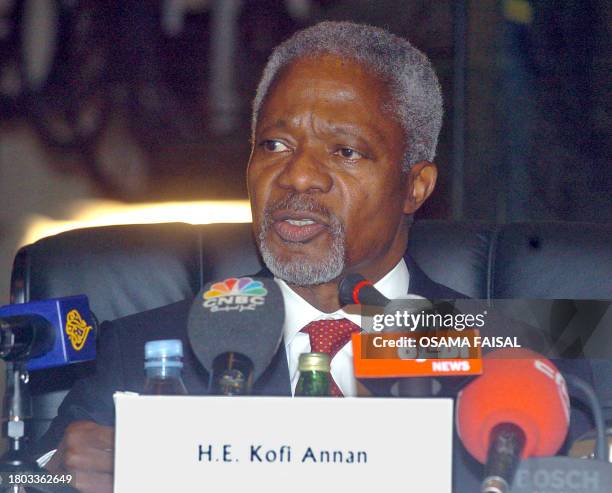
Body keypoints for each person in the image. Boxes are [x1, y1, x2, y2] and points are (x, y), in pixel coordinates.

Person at [38, 21, 591, 493]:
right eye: (273, 146)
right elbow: (21, 479)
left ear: (415, 186)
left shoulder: (516, 355)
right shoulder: (140, 350)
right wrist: (56, 476)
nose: (297, 176)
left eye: (345, 151)